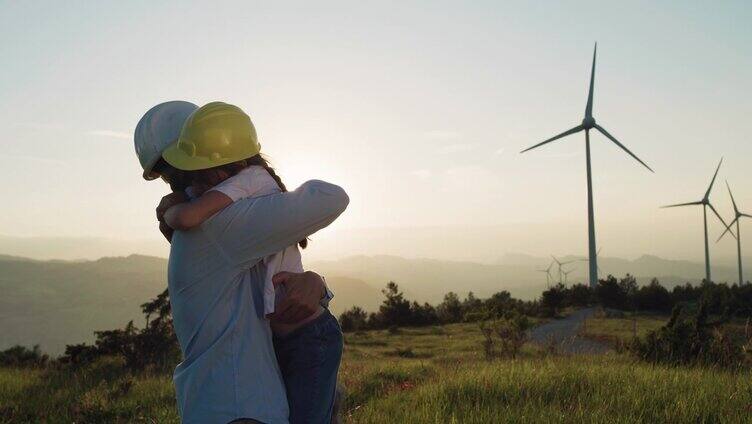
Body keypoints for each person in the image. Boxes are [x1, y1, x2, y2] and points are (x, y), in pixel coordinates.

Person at [134, 101, 347, 423]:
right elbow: (331, 198)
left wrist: (315, 283)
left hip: (222, 403)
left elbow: (262, 275)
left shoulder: (209, 223)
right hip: (242, 408)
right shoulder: (222, 223)